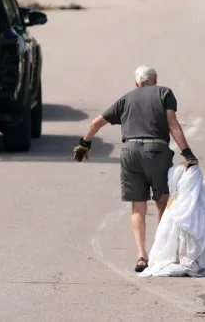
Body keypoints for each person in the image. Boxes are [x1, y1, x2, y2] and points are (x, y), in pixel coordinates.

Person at [73, 65, 197, 273]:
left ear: (136, 83)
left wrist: (84, 144)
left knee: (137, 206)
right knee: (162, 202)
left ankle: (141, 256)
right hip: (156, 151)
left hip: (130, 152)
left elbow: (96, 123)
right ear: (155, 80)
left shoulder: (127, 98)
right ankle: (163, 254)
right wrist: (188, 154)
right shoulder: (164, 93)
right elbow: (173, 124)